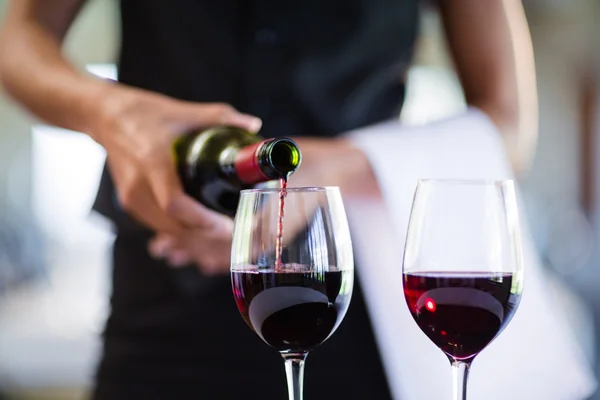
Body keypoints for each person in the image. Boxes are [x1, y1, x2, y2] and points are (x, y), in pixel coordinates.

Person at [0, 1, 549, 399]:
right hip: (161, 292)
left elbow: (510, 127)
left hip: (359, 304)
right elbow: (16, 40)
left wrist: (329, 165)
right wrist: (111, 115)